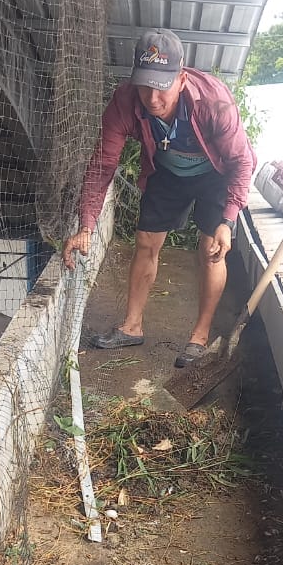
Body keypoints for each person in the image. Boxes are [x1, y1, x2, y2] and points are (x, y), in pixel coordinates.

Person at [62, 29, 256, 367]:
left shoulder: (214, 103)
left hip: (216, 173)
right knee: (146, 241)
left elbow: (242, 162)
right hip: (166, 170)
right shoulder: (124, 102)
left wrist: (228, 220)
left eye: (161, 86)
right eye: (144, 85)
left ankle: (199, 337)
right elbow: (103, 165)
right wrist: (87, 226)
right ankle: (132, 326)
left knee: (212, 249)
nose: (152, 99)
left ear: (181, 79)